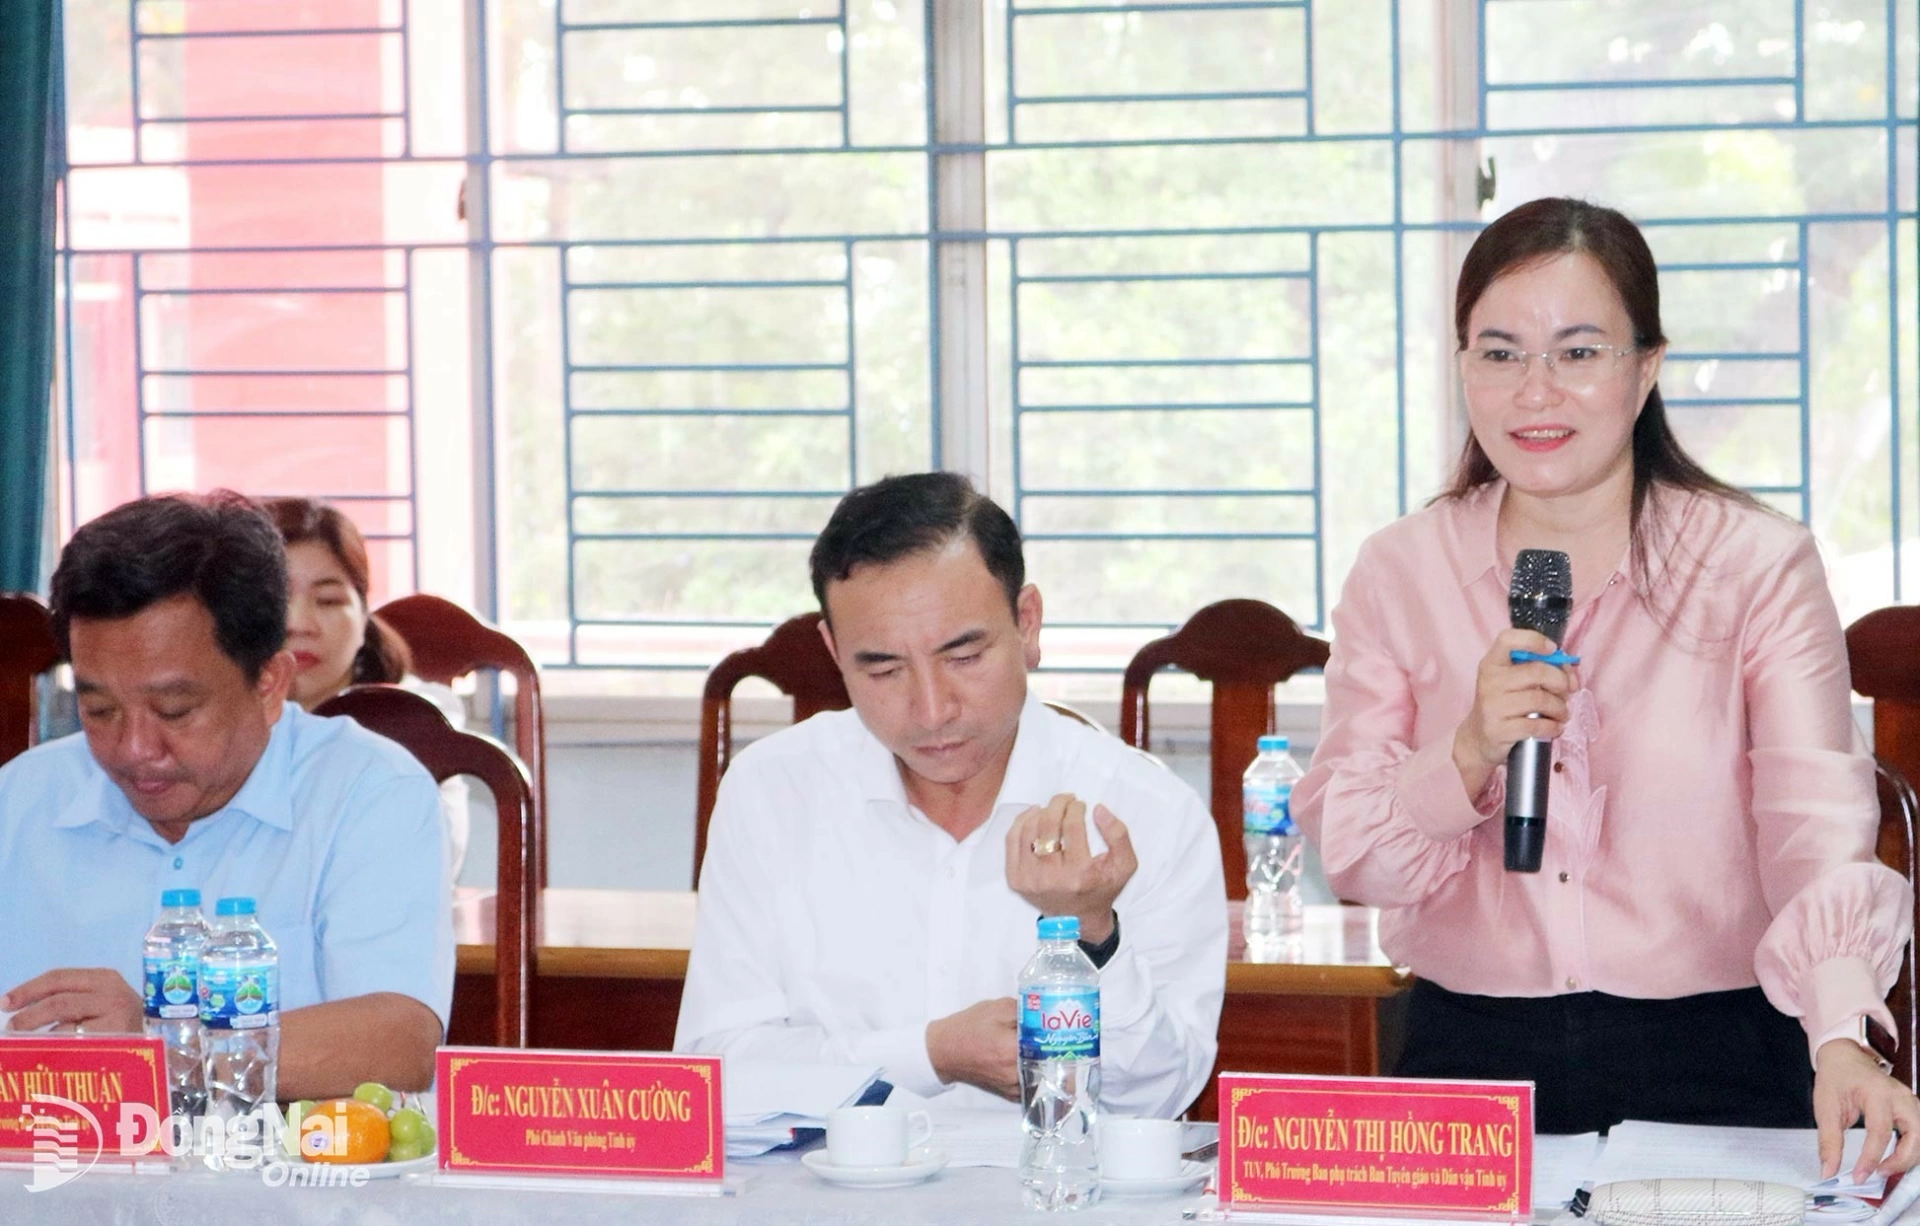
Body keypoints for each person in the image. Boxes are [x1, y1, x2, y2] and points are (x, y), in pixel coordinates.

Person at [1294, 197, 1919, 1181]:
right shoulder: (1398, 570)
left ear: (1647, 366)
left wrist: (1841, 1032)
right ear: (1461, 366)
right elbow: (1357, 855)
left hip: (1715, 1061)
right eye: (1499, 353)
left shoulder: (1754, 565)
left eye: (1578, 352)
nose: (1534, 391)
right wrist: (1465, 753)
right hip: (1467, 1060)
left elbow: (1814, 829)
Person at [674, 472, 1226, 1117]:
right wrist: (929, 1054)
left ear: (1027, 624)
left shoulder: (1145, 812)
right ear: (833, 652)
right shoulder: (772, 791)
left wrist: (1093, 934)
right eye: (881, 668)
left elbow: (1156, 1098)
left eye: (963, 657)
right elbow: (721, 1074)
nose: (931, 710)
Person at [0, 491, 453, 1097]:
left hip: (289, 1183)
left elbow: (400, 1042)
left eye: (174, 710)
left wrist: (164, 1042)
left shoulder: (367, 793)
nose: (135, 748)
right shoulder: (21, 801)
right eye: (99, 707)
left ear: (270, 683)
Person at [264, 496, 469, 879]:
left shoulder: (420, 717)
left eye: (328, 600)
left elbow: (430, 866)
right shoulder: (210, 718)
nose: (299, 623)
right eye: (276, 601)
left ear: (363, 616)